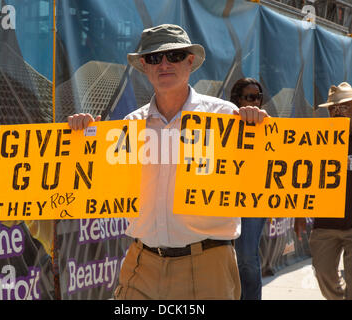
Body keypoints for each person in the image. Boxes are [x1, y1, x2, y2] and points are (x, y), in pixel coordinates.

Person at [68, 24, 268, 300]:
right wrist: (83, 138)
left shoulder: (226, 117)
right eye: (153, 58)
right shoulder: (130, 126)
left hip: (207, 265)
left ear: (189, 61)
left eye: (173, 56)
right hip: (142, 263)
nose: (163, 64)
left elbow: (255, 177)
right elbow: (94, 182)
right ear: (144, 65)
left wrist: (255, 127)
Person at [294, 82, 352, 300]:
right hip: (325, 222)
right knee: (324, 273)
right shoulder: (316, 140)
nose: (338, 111)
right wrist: (298, 214)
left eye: (344, 106)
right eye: (333, 108)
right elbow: (305, 180)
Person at [229, 77, 266, 300]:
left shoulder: (268, 125)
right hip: (223, 199)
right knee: (225, 259)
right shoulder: (222, 121)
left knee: (247, 258)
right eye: (250, 97)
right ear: (237, 99)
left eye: (259, 97)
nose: (256, 102)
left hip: (253, 200)